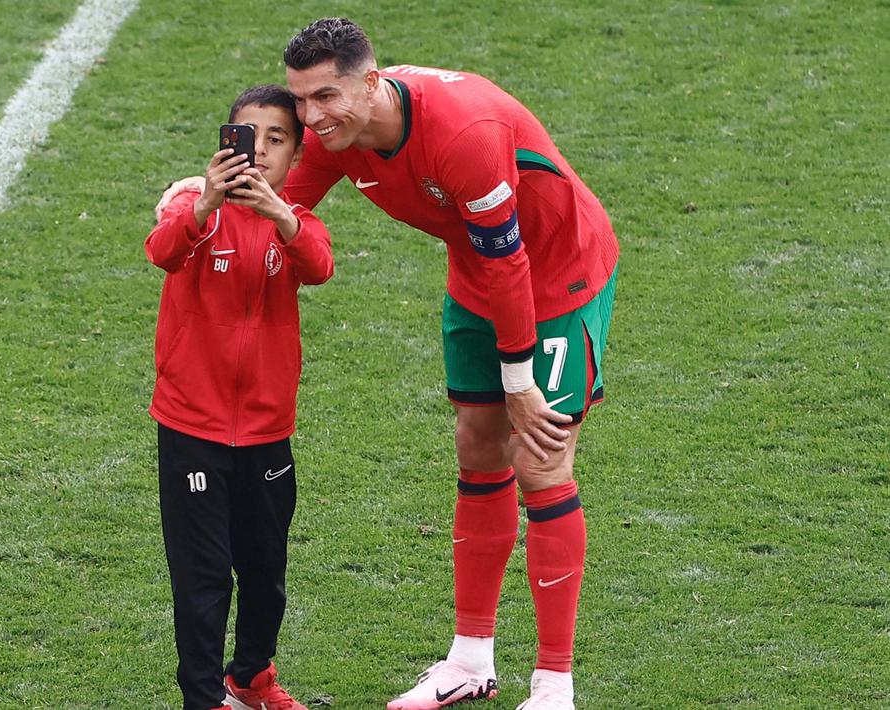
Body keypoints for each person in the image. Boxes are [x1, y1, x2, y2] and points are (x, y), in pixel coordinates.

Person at [157, 17, 618, 710]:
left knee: (540, 458)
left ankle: (554, 688)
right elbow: (282, 211)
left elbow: (511, 258)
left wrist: (519, 382)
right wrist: (199, 199)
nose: (309, 118)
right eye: (299, 100)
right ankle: (470, 661)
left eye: (324, 98)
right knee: (476, 447)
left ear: (372, 85)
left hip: (554, 275)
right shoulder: (339, 138)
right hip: (476, 276)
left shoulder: (462, 133)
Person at [145, 83, 334, 710]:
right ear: (227, 144)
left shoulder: (295, 224)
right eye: (249, 138)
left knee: (264, 572)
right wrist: (202, 204)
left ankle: (251, 678)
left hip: (266, 429)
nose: (262, 152)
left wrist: (281, 214)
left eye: (277, 140)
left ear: (296, 156)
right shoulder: (193, 212)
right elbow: (162, 251)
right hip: (192, 427)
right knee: (202, 578)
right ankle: (202, 698)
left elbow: (319, 266)